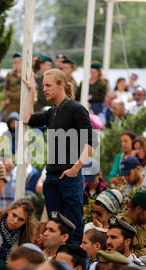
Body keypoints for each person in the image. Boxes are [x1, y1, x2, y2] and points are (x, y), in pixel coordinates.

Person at [23, 68, 94, 245]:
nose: (44, 89)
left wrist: (75, 168)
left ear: (61, 85)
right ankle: (56, 260)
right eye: (43, 86)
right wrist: (31, 91)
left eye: (48, 85)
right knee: (55, 226)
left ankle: (75, 266)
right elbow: (27, 119)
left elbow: (91, 144)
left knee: (73, 225)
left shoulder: (77, 109)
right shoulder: (51, 112)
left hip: (69, 177)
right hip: (51, 177)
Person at [120, 190, 146, 257]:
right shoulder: (120, 223)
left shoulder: (145, 225)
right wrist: (144, 252)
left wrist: (136, 254)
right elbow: (124, 254)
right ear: (139, 209)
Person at [3, 53, 23, 120]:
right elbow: (5, 88)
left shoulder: (28, 74)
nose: (16, 64)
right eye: (14, 62)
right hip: (11, 103)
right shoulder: (10, 74)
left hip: (23, 104)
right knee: (10, 123)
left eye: (18, 62)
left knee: (23, 124)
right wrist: (6, 98)